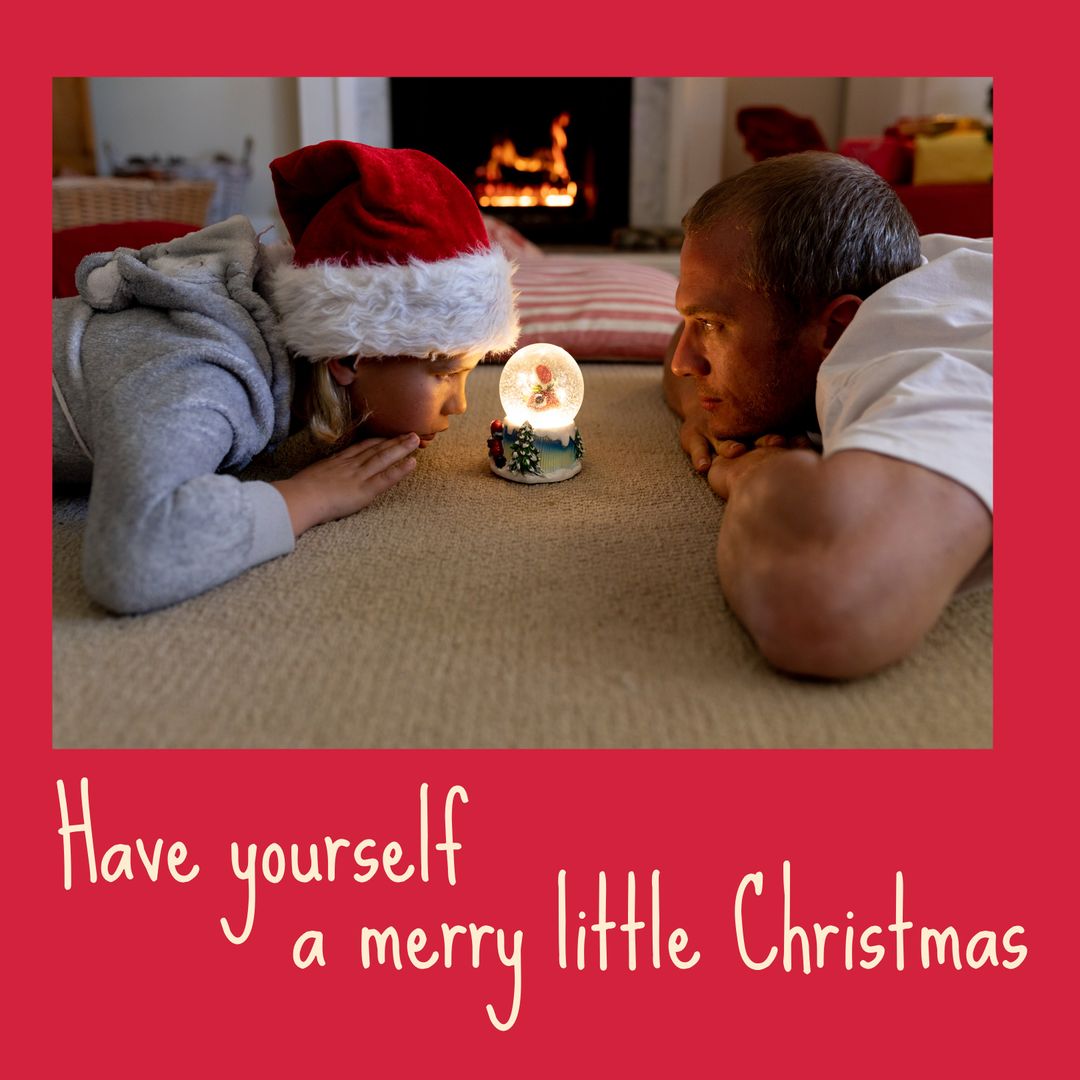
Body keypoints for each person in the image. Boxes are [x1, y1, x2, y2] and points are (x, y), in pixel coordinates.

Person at [53, 141, 519, 614]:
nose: (460, 404)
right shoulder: (208, 370)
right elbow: (132, 558)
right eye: (445, 374)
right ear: (347, 356)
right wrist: (305, 497)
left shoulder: (266, 350)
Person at [663, 152, 992, 679]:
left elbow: (825, 606)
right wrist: (701, 409)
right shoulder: (916, 265)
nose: (683, 362)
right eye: (693, 320)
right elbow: (674, 352)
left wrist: (752, 473)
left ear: (838, 329)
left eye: (711, 325)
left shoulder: (914, 365)